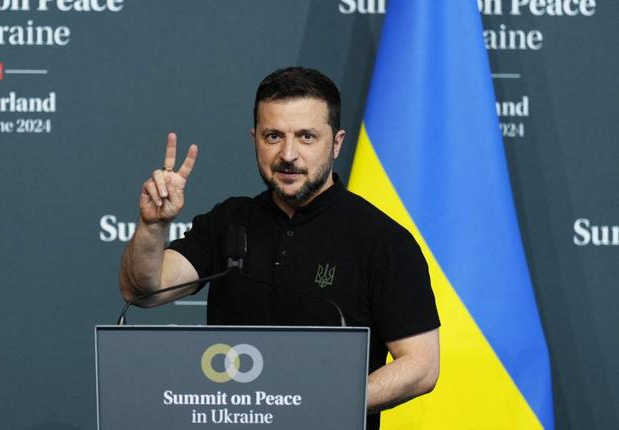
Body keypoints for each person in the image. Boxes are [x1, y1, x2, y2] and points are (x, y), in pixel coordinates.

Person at [119, 66, 440, 429]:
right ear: (254, 138)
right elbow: (144, 289)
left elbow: (421, 367)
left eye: (306, 137)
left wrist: (308, 404)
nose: (288, 154)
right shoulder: (229, 220)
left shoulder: (383, 240)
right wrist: (153, 225)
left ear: (336, 143)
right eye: (273, 136)